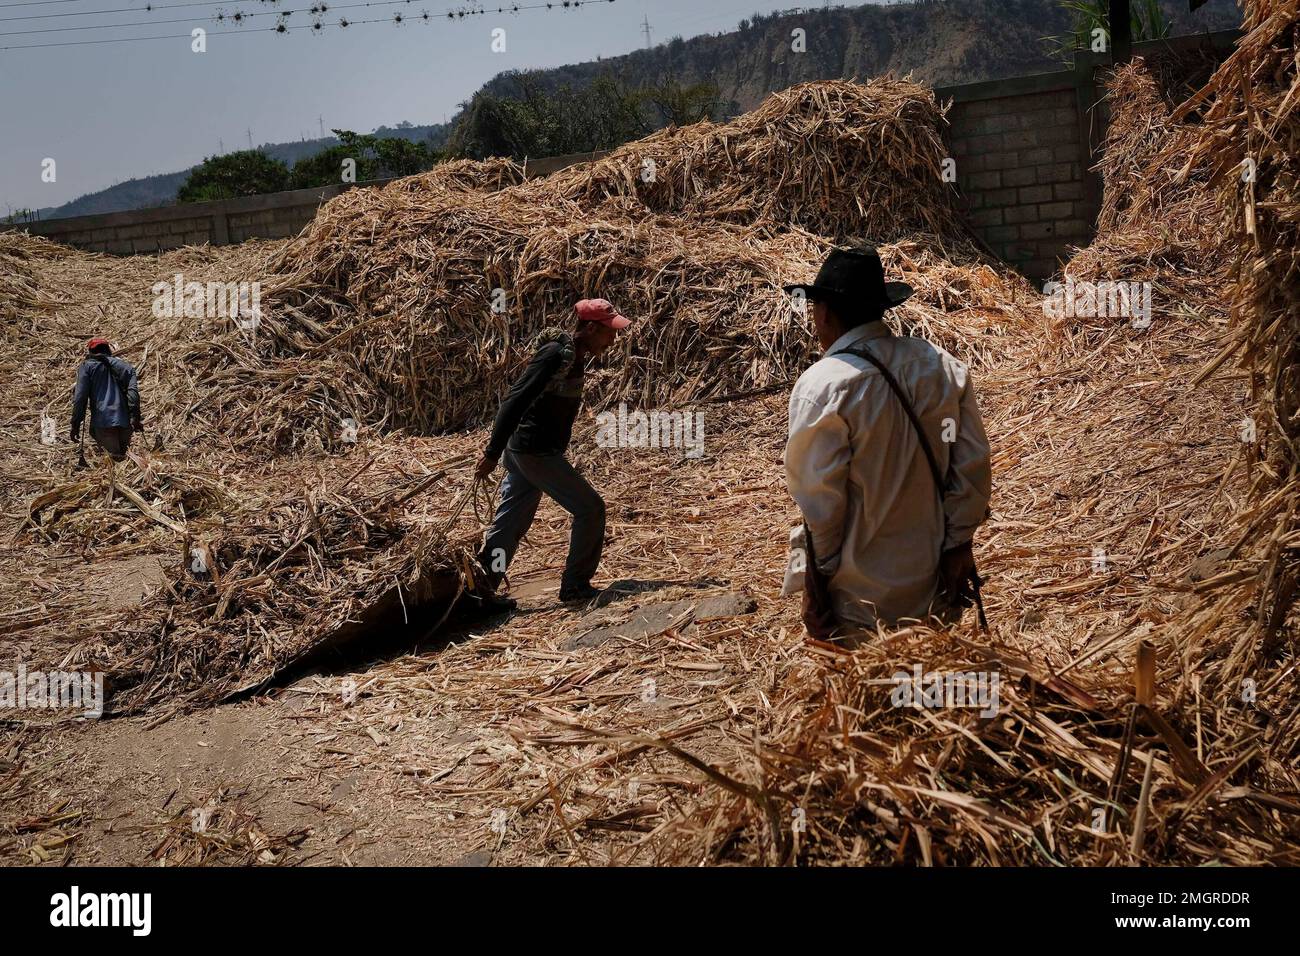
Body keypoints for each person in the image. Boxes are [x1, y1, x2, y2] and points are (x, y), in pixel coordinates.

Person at [783, 245, 992, 641]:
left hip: (860, 605)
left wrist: (821, 575)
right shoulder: (941, 366)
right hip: (933, 590)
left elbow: (820, 503)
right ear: (881, 308)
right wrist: (957, 543)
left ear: (823, 312)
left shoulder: (822, 387)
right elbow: (971, 465)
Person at [472, 298, 631, 610]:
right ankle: (575, 587)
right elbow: (513, 400)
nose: (613, 339)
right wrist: (492, 453)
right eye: (609, 332)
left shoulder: (575, 355)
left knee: (510, 524)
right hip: (534, 452)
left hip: (526, 450)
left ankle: (479, 592)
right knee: (590, 509)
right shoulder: (555, 354)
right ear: (590, 327)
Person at [70, 337, 142, 462]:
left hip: (103, 422)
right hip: (125, 423)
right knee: (124, 461)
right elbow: (133, 394)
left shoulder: (87, 366)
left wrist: (76, 423)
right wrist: (135, 418)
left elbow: (80, 397)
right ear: (108, 350)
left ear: (91, 352)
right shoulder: (126, 367)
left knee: (113, 463)